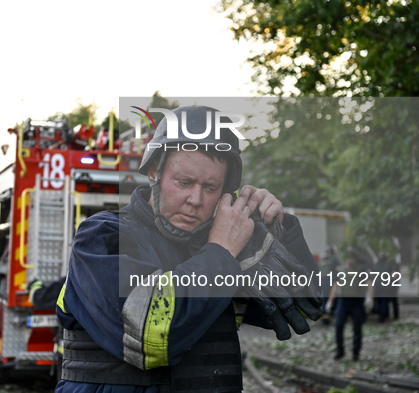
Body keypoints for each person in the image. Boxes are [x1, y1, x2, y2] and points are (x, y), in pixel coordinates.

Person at [55, 106, 322, 393]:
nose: (196, 199)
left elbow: (303, 307)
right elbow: (152, 334)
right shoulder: (102, 236)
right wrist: (221, 250)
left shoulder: (218, 247)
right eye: (184, 182)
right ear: (154, 171)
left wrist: (279, 230)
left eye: (211, 188)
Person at [327, 252, 373, 361]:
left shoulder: (362, 270)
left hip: (357, 302)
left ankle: (356, 353)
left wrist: (370, 298)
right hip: (343, 302)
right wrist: (330, 300)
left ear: (355, 260)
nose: (349, 261)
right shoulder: (341, 270)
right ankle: (340, 351)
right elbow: (336, 285)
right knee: (338, 325)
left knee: (357, 328)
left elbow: (369, 283)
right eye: (347, 259)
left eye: (351, 259)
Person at [318, 245, 341, 325]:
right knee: (333, 299)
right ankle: (335, 316)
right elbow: (339, 270)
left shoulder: (322, 260)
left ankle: (325, 318)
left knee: (324, 300)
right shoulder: (334, 260)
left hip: (322, 282)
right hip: (331, 282)